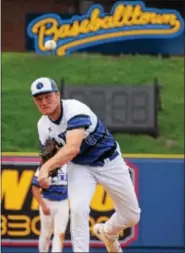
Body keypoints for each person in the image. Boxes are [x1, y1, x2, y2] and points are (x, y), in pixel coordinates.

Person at [30, 77, 141, 253]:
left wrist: (44, 169)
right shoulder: (43, 126)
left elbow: (72, 148)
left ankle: (107, 232)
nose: (44, 102)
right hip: (80, 167)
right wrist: (46, 173)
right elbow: (49, 155)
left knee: (132, 216)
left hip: (109, 160)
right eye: (38, 98)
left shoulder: (74, 109)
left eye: (48, 96)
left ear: (58, 95)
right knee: (78, 210)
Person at [32, 164, 69, 253]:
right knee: (46, 233)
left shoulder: (69, 166)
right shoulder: (44, 166)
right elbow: (35, 188)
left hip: (63, 202)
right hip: (47, 201)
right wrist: (43, 205)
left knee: (60, 233)